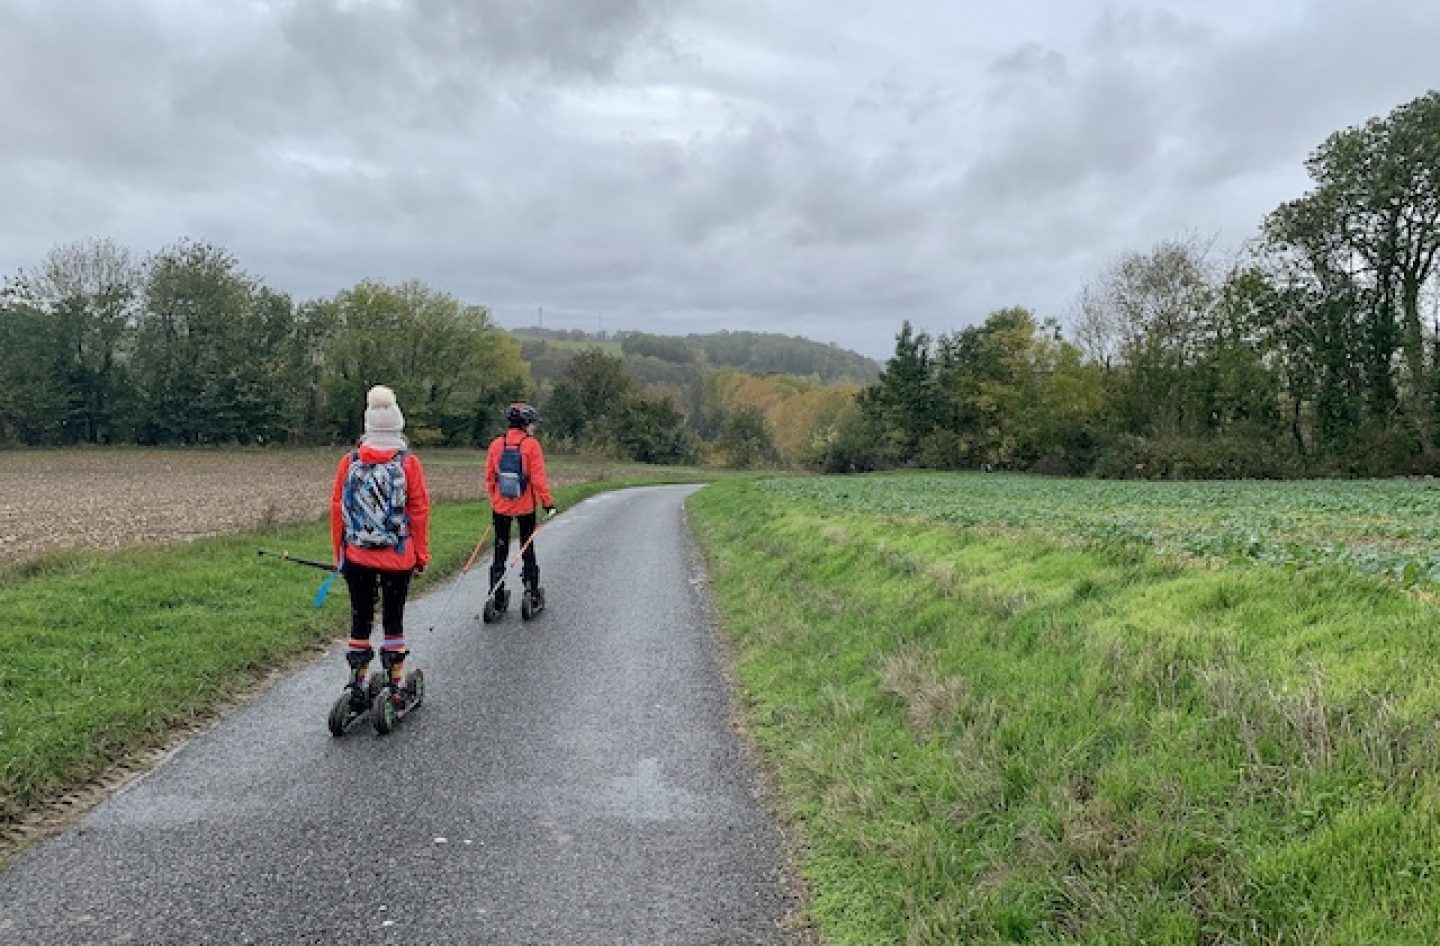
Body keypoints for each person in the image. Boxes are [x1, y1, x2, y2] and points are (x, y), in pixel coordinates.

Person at [330, 384, 431, 710]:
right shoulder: (408, 462)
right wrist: (420, 555)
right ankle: (395, 683)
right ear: (399, 426)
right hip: (397, 558)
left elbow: (338, 510)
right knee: (393, 618)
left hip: (357, 555)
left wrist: (340, 555)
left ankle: (357, 684)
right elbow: (418, 511)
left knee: (360, 619)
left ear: (367, 426)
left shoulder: (350, 460)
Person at [484, 402, 555, 613]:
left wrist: (495, 499)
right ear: (525, 424)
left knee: (500, 549)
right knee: (527, 548)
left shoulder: (496, 444)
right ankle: (531, 592)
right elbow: (538, 479)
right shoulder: (531, 445)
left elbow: (489, 478)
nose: (534, 427)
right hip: (525, 508)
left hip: (501, 508)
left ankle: (496, 595)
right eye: (533, 423)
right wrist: (548, 503)